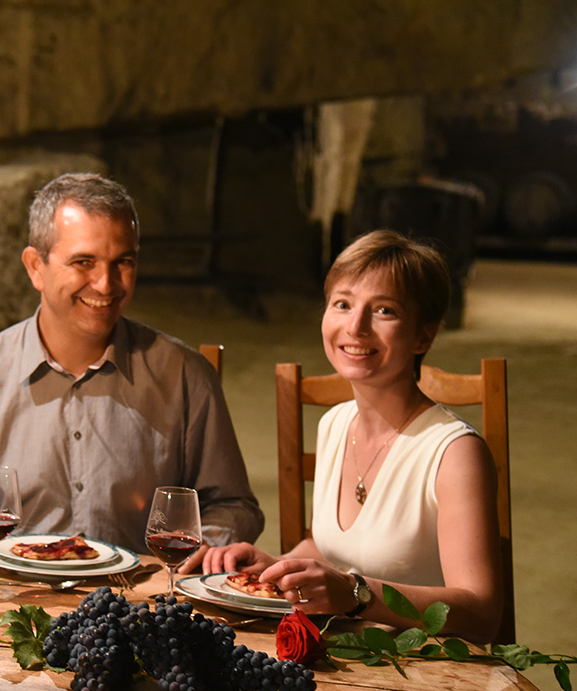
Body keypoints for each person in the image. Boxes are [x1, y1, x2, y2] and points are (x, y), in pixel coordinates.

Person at [0, 173, 263, 569]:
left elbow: (233, 506)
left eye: (123, 261)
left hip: (136, 610)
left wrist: (206, 544)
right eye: (83, 262)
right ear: (35, 267)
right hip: (9, 603)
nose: (105, 284)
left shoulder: (185, 376)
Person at [204, 229, 502, 643]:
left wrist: (356, 594)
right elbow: (333, 547)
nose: (356, 327)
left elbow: (482, 613)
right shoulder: (335, 423)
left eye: (384, 311)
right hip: (344, 656)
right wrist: (277, 566)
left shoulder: (455, 453)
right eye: (343, 304)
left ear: (424, 335)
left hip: (428, 673)